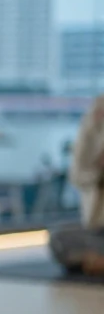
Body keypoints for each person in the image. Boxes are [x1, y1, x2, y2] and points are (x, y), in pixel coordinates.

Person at [50, 95, 104, 274]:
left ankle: (94, 261)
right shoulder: (97, 113)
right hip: (98, 230)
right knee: (59, 238)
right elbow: (77, 175)